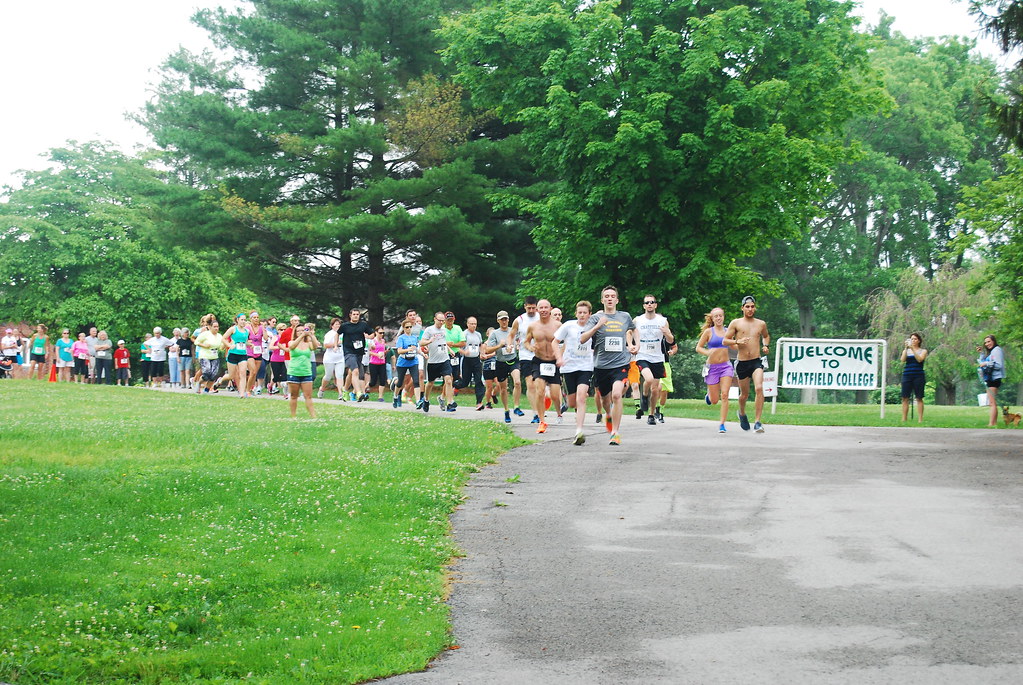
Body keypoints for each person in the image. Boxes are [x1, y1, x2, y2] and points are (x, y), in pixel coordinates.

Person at [579, 286, 637, 446]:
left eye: (612, 296)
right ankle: (608, 413)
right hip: (601, 366)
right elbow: (582, 339)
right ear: (602, 300)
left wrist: (635, 345)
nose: (610, 298)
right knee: (605, 399)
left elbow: (634, 329)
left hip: (620, 363)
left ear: (617, 300)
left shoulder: (625, 316)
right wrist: (598, 325)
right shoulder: (595, 318)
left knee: (617, 395)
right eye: (607, 296)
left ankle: (615, 433)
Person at [725, 296, 770, 433]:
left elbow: (766, 336)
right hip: (742, 363)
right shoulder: (736, 323)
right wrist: (737, 342)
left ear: (755, 308)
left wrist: (765, 345)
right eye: (747, 307)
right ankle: (742, 413)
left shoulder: (761, 323)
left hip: (756, 361)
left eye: (752, 306)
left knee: (759, 388)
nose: (750, 309)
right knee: (744, 394)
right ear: (742, 308)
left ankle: (757, 422)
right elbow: (725, 341)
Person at [554, 300, 595, 445]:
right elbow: (555, 341)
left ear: (590, 314)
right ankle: (573, 406)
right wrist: (559, 357)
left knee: (581, 397)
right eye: (580, 313)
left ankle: (579, 431)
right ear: (576, 313)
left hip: (586, 367)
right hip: (569, 367)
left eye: (585, 313)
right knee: (572, 403)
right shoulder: (568, 326)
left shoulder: (593, 327)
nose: (582, 315)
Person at [524, 299, 564, 432]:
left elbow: (568, 341)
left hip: (553, 361)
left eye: (546, 307)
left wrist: (560, 355)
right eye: (540, 308)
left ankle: (559, 413)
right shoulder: (533, 326)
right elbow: (526, 342)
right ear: (537, 310)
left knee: (554, 394)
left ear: (550, 309)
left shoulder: (558, 325)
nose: (543, 310)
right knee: (540, 391)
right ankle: (542, 421)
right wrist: (530, 347)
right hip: (539, 360)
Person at [696, 307, 737, 433]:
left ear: (724, 317)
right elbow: (698, 347)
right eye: (716, 316)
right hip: (712, 368)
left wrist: (740, 343)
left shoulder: (728, 332)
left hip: (726, 366)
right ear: (712, 319)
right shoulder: (709, 332)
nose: (719, 318)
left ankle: (722, 424)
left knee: (725, 395)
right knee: (714, 400)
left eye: (721, 316)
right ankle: (709, 396)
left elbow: (734, 346)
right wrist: (708, 352)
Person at [634, 294, 674, 425]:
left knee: (656, 388)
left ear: (656, 305)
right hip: (642, 355)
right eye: (647, 302)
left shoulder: (662, 321)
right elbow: (628, 332)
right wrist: (632, 344)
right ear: (644, 305)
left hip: (657, 356)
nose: (649, 304)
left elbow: (670, 340)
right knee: (649, 379)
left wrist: (667, 334)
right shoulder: (637, 320)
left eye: (652, 302)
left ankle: (651, 414)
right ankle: (644, 396)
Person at [483, 311, 517, 423]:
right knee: (503, 388)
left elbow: (520, 341)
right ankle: (506, 410)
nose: (504, 321)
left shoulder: (513, 331)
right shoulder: (495, 334)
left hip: (512, 360)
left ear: (508, 320)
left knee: (517, 382)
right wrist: (499, 345)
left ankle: (516, 406)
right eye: (502, 319)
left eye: (506, 319)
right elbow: (487, 350)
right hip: (501, 362)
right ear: (498, 321)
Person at [509, 296, 539, 420]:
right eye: (529, 308)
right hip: (525, 355)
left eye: (533, 308)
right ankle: (536, 413)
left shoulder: (541, 318)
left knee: (540, 384)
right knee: (530, 384)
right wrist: (510, 344)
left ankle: (540, 408)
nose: (531, 310)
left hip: (540, 354)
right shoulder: (519, 320)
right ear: (525, 306)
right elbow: (511, 335)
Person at [420, 312, 455, 412]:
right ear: (434, 319)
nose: (441, 322)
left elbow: (443, 342)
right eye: (439, 320)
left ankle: (450, 403)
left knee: (448, 379)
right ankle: (426, 400)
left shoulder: (444, 330)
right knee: (430, 383)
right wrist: (429, 341)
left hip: (444, 359)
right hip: (433, 361)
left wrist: (450, 350)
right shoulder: (429, 330)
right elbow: (422, 342)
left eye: (442, 321)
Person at [287, 323, 320, 418]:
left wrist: (311, 335)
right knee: (294, 396)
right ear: (295, 332)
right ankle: (293, 416)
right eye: (298, 331)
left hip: (306, 372)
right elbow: (292, 346)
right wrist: (301, 336)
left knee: (308, 396)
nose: (301, 332)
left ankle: (313, 416)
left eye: (302, 330)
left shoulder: (308, 343)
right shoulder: (291, 342)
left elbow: (315, 346)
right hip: (294, 372)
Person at [341, 308, 374, 401]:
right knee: (355, 371)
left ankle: (345, 389)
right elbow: (337, 334)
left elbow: (372, 334)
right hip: (348, 351)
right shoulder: (345, 326)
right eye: (354, 314)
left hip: (359, 352)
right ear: (350, 315)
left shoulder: (363, 325)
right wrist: (336, 345)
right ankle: (358, 393)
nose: (356, 316)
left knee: (351, 373)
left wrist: (367, 336)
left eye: (357, 314)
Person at [456, 316, 486, 410]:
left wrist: (482, 353)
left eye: (475, 324)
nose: (473, 326)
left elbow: (480, 345)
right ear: (467, 324)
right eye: (471, 324)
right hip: (466, 360)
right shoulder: (464, 334)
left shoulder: (478, 334)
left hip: (476, 360)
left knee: (478, 380)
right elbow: (457, 347)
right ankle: (455, 386)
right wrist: (464, 352)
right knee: (465, 382)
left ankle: (479, 402)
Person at [393, 319, 423, 409]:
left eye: (410, 327)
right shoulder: (401, 338)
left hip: (413, 361)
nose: (409, 328)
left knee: (416, 381)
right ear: (403, 328)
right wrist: (407, 350)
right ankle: (395, 396)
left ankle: (418, 401)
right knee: (400, 382)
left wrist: (422, 353)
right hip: (403, 362)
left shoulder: (414, 337)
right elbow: (399, 350)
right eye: (407, 327)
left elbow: (416, 348)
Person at [977, 334, 1006, 427]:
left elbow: (998, 365)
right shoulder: (992, 352)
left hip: (994, 378)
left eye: (989, 341)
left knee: (992, 402)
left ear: (994, 341)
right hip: (990, 378)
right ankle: (993, 423)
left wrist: (986, 363)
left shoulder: (997, 350)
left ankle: (992, 424)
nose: (987, 344)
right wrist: (981, 354)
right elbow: (984, 362)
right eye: (985, 342)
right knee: (991, 402)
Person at [900, 332, 928, 423]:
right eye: (911, 339)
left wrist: (913, 349)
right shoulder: (906, 351)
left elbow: (920, 359)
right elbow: (902, 360)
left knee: (919, 397)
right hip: (907, 375)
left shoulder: (923, 351)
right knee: (905, 397)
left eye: (915, 339)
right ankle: (904, 418)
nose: (913, 340)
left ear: (919, 340)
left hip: (918, 375)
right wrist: (906, 348)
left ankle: (920, 419)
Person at [222, 314, 252, 397]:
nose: (243, 322)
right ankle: (220, 380)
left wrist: (249, 344)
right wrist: (229, 345)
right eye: (242, 320)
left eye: (244, 320)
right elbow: (223, 338)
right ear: (237, 320)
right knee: (231, 375)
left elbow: (244, 342)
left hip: (242, 354)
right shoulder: (233, 329)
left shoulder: (247, 331)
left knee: (243, 373)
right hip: (233, 354)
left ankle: (242, 393)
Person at [319, 317, 345, 399]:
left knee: (340, 375)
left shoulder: (343, 334)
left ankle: (341, 393)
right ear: (332, 326)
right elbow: (326, 345)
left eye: (339, 324)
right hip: (329, 358)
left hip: (340, 358)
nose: (338, 326)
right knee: (328, 376)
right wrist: (336, 343)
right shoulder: (329, 334)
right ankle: (322, 389)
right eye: (336, 324)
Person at [194, 320, 224, 394]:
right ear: (210, 327)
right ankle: (199, 383)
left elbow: (221, 347)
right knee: (207, 372)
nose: (216, 328)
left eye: (217, 327)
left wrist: (226, 345)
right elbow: (196, 342)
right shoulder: (205, 334)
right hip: (205, 355)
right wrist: (204, 345)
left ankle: (206, 390)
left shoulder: (219, 336)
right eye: (214, 327)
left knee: (213, 375)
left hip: (214, 356)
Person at [367, 326, 388, 401]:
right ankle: (365, 388)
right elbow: (369, 352)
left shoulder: (383, 341)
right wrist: (377, 355)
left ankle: (380, 397)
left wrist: (385, 352)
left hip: (382, 362)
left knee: (382, 380)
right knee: (373, 381)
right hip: (374, 362)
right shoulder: (372, 341)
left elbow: (382, 350)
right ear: (376, 333)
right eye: (380, 333)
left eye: (383, 333)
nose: (381, 334)